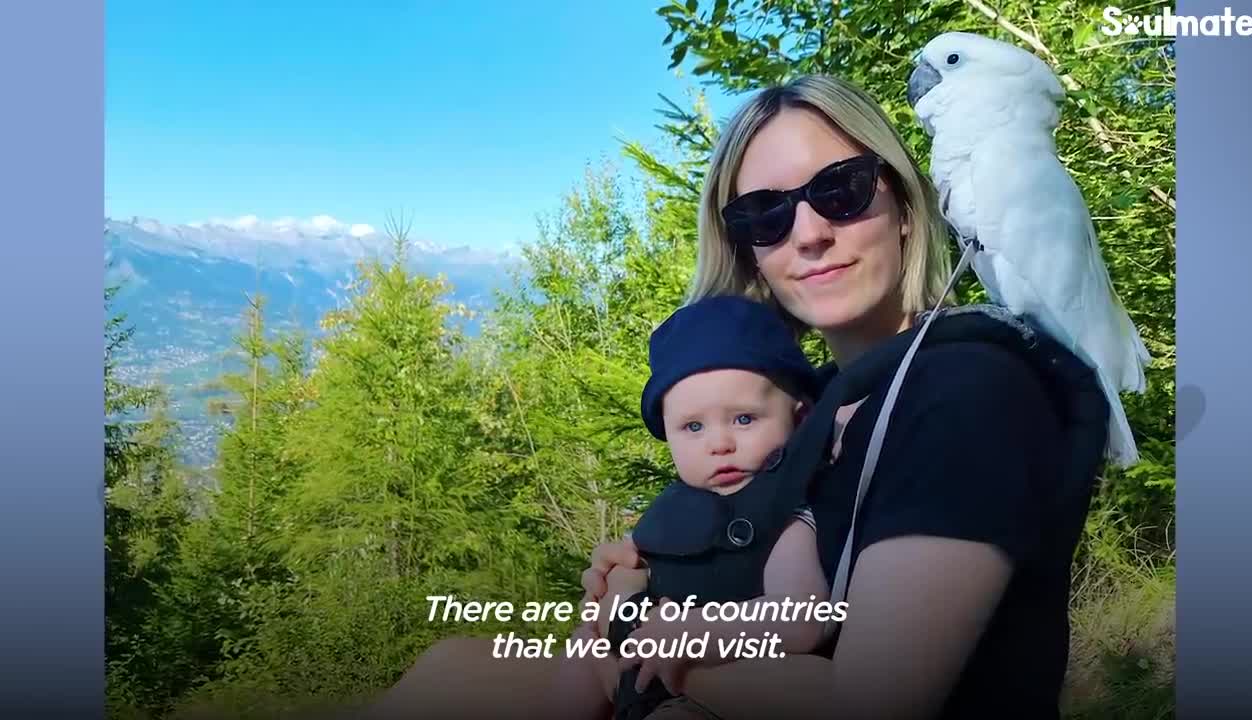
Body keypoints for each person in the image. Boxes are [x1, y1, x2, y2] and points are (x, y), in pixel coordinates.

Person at [361, 73, 1109, 720]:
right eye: (765, 215)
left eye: (841, 191)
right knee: (448, 670)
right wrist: (656, 572)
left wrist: (674, 646)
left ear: (906, 203)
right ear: (745, 246)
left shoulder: (964, 391)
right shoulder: (819, 406)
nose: (808, 234)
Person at [549, 294, 834, 720]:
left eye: (743, 419)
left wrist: (694, 631)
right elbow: (636, 561)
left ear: (800, 417)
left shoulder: (784, 520)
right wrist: (610, 581)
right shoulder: (679, 506)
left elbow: (803, 620)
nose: (719, 444)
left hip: (715, 692)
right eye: (693, 427)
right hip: (640, 668)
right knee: (577, 654)